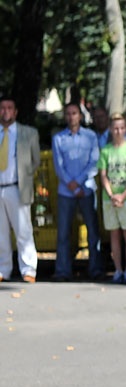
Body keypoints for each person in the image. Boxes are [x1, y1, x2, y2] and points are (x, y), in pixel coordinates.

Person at [51, 101, 103, 281]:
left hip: (86, 189)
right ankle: (63, 270)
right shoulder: (58, 138)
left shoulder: (91, 136)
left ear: (80, 116)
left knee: (92, 231)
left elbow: (94, 163)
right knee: (64, 233)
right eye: (68, 113)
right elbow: (59, 166)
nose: (71, 117)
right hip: (65, 192)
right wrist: (71, 185)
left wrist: (79, 183)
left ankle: (95, 268)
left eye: (74, 113)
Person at [98, 113, 126, 284]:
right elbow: (103, 175)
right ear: (110, 129)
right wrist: (111, 195)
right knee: (114, 234)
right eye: (115, 128)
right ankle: (118, 269)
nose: (119, 131)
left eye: (122, 128)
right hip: (109, 198)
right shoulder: (106, 150)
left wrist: (123, 194)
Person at [0, 97, 40, 283]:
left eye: (9, 108)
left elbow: (35, 160)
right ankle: (3, 269)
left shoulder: (28, 133)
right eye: (2, 108)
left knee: (23, 230)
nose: (5, 111)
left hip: (17, 187)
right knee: (0, 233)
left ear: (15, 112)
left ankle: (28, 269)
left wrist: (24, 177)